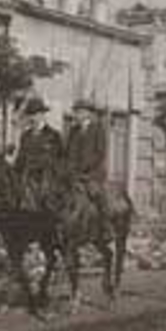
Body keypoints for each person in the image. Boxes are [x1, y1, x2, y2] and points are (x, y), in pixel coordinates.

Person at [65, 99, 111, 232]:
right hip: (73, 173)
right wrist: (67, 167)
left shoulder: (98, 129)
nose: (76, 115)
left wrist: (84, 168)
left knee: (96, 194)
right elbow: (68, 152)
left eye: (79, 112)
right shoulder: (73, 130)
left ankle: (105, 225)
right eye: (75, 112)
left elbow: (100, 153)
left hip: (93, 173)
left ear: (88, 113)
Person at [13, 97, 64, 211]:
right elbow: (21, 157)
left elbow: (58, 158)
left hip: (45, 175)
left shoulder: (53, 136)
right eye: (30, 114)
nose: (33, 118)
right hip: (26, 175)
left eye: (35, 114)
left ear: (42, 115)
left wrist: (41, 164)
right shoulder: (25, 136)